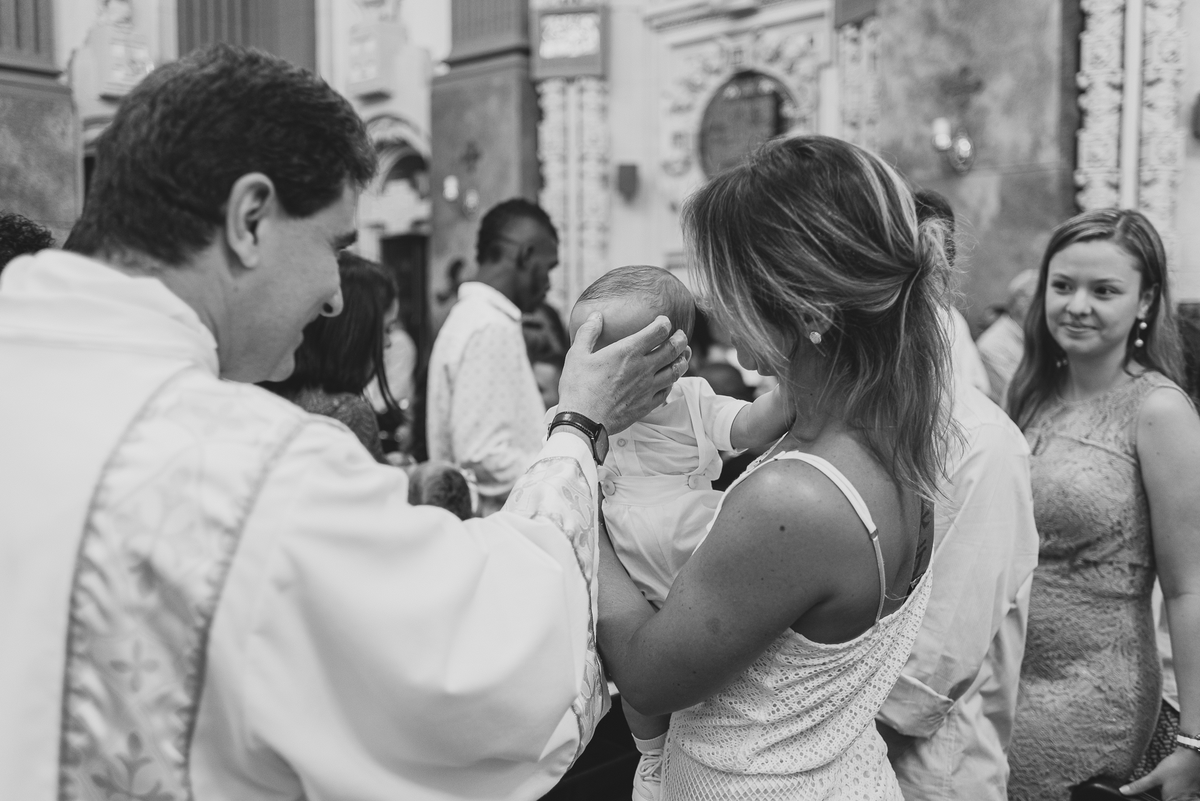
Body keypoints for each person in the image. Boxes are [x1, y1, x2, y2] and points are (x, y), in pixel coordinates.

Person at [0, 44, 690, 801]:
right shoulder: (247, 471)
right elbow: (480, 665)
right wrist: (580, 427)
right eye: (334, 246)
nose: (336, 297)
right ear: (251, 218)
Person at [598, 135, 954, 800]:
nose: (712, 306)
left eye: (727, 283)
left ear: (808, 311)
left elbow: (645, 677)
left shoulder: (795, 498)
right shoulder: (894, 430)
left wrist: (583, 499)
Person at [552, 265, 792, 799]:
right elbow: (559, 484)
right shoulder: (585, 420)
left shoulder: (693, 400)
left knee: (712, 666)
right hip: (630, 575)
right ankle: (652, 756)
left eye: (624, 356)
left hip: (697, 559)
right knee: (632, 672)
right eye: (591, 357)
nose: (607, 374)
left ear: (676, 358)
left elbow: (749, 427)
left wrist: (791, 392)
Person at [1005, 209, 1200, 801]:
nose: (1077, 305)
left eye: (1104, 291)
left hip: (1092, 693)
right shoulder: (1033, 391)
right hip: (1006, 677)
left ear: (1144, 302)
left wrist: (1197, 741)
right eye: (1062, 286)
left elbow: (1190, 586)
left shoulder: (1158, 411)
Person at [875, 381, 1039, 800]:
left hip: (924, 769)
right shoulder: (844, 413)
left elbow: (939, 656)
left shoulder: (980, 438)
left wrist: (821, 765)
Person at [427, 198, 558, 514]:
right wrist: (564, 471)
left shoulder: (474, 318)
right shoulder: (489, 326)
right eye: (548, 267)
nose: (549, 284)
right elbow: (482, 456)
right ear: (526, 256)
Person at [264, 252, 400, 462]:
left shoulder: (264, 397)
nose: (388, 342)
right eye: (385, 329)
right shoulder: (346, 412)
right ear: (355, 332)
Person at [976, 269, 1038, 407]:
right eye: (1042, 301)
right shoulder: (993, 346)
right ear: (1022, 302)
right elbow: (1021, 400)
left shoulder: (1038, 338)